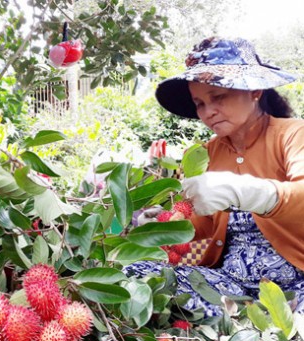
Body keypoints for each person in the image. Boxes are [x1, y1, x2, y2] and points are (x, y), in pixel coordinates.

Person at [127, 36, 304, 318]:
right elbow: (204, 221)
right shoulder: (204, 154)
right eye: (199, 103)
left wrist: (254, 193)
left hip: (297, 286)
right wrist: (166, 223)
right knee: (133, 276)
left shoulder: (293, 134)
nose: (208, 112)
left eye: (218, 97)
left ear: (255, 90)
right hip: (231, 289)